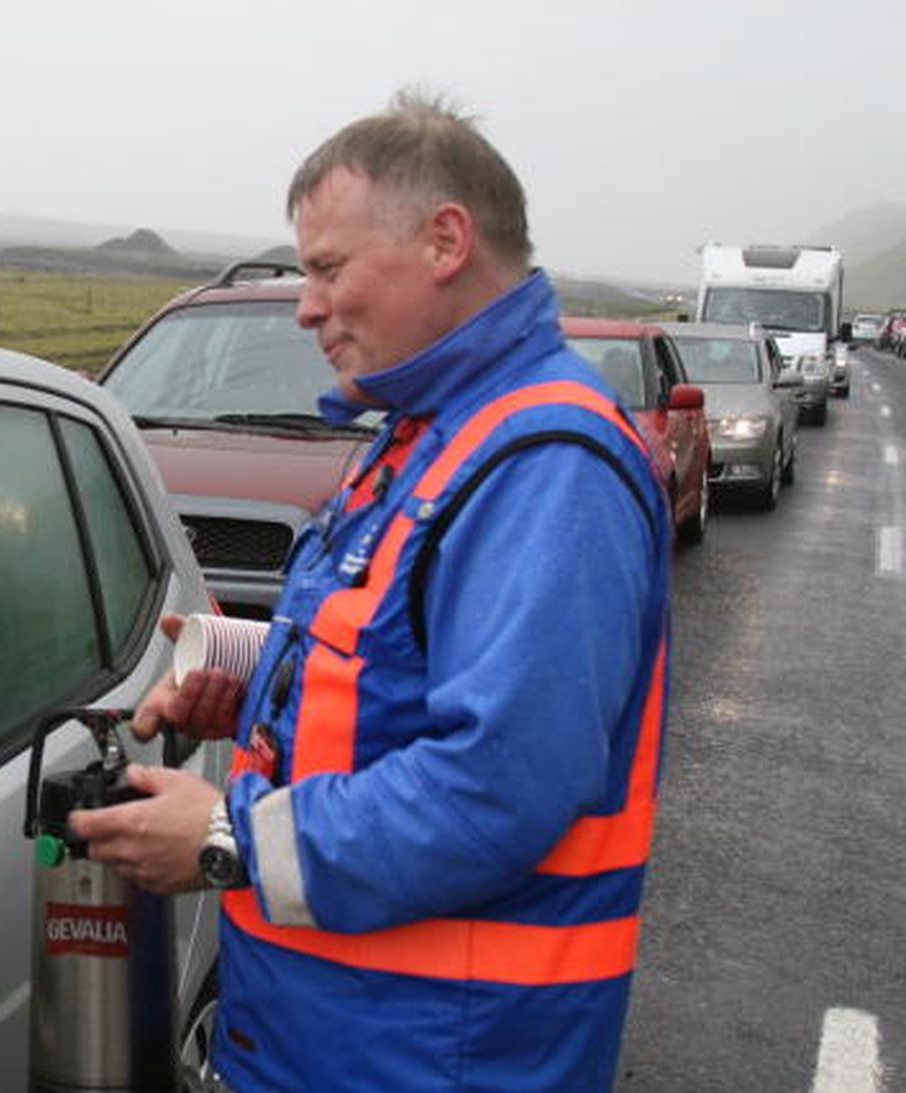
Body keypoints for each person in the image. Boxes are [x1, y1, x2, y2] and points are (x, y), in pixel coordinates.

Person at [71, 90, 672, 1091]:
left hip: (435, 1053)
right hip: (334, 1035)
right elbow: (401, 657)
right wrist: (247, 673)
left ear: (443, 240)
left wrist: (223, 838)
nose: (305, 305)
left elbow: (494, 788)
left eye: (326, 268)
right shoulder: (428, 432)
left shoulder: (543, 464)